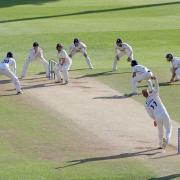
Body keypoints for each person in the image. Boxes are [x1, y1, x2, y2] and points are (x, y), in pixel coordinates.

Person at [142, 77, 172, 149]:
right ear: (149, 92)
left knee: (160, 131)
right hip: (164, 113)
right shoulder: (154, 94)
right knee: (168, 129)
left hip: (157, 117)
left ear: (143, 95)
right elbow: (157, 86)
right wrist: (155, 80)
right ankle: (167, 140)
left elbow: (150, 114)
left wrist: (155, 119)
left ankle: (161, 145)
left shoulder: (146, 104)